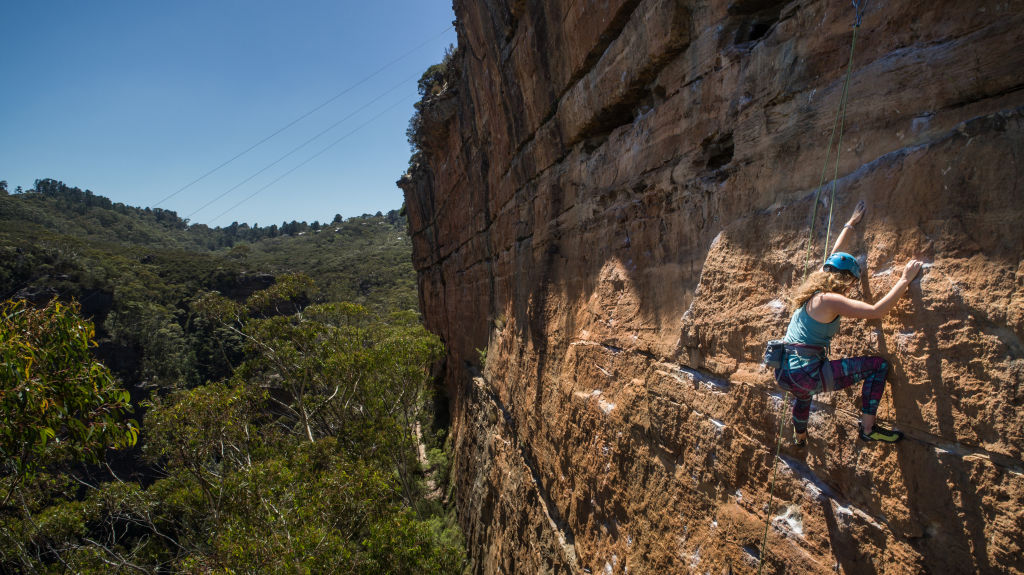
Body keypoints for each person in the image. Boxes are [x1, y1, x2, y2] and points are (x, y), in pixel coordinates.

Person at [775, 200, 923, 445]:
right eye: (854, 282)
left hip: (785, 373)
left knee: (803, 396)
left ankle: (799, 435)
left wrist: (851, 224)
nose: (853, 288)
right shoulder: (831, 300)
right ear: (847, 280)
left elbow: (834, 254)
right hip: (806, 374)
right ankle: (868, 428)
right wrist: (904, 280)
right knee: (878, 366)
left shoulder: (815, 289)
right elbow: (876, 311)